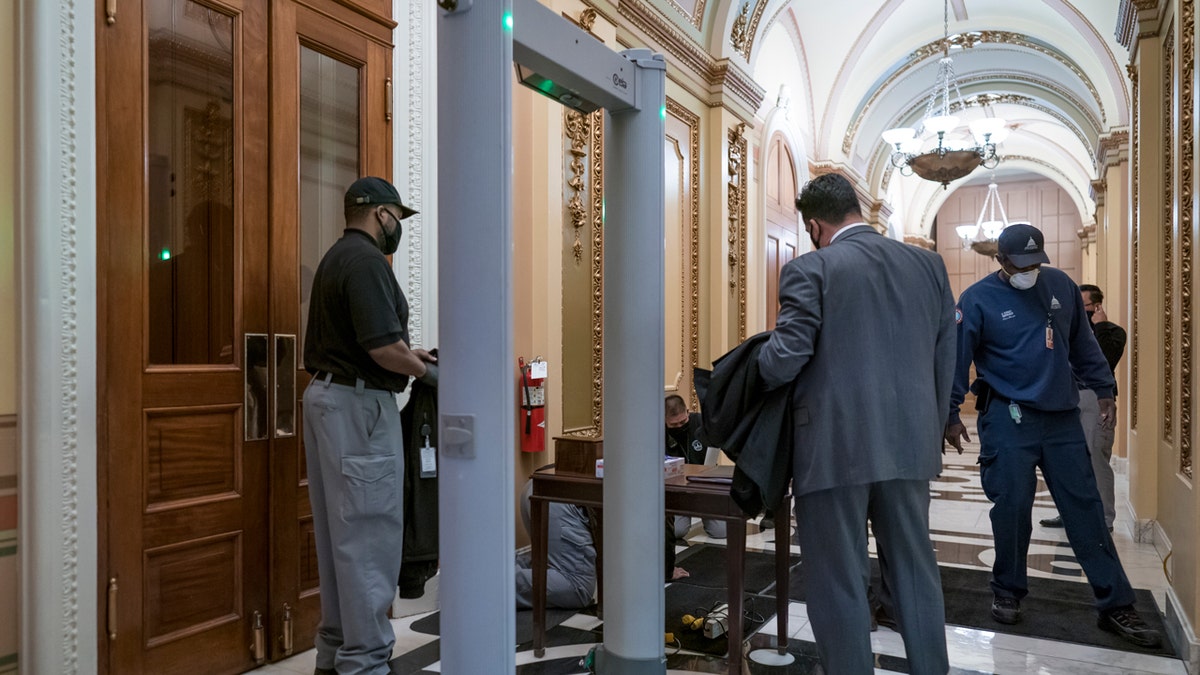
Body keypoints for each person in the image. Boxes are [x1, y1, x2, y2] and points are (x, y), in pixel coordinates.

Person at [757, 173, 954, 674]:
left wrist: (754, 360)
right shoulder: (929, 265)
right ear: (857, 210)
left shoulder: (811, 268)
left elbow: (786, 358)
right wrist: (930, 426)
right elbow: (944, 355)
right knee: (914, 568)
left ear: (815, 225)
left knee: (838, 577)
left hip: (832, 445)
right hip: (910, 445)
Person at [944, 224, 1160, 648]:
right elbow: (956, 359)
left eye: (1035, 263)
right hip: (1008, 418)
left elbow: (1083, 345)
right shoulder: (977, 299)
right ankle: (1008, 591)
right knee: (1011, 508)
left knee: (1085, 510)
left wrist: (1104, 388)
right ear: (1000, 261)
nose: (1029, 271)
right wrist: (950, 414)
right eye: (1019, 265)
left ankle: (1116, 603)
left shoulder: (1060, 285)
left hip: (1060, 418)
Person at [303, 176, 437, 674]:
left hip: (329, 397)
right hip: (357, 409)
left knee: (340, 540)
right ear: (381, 214)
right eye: (397, 220)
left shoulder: (337, 258)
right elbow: (382, 348)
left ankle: (335, 655)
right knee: (369, 539)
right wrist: (425, 370)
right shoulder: (365, 262)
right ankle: (366, 664)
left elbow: (368, 342)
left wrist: (409, 354)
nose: (398, 229)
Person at [1041, 284, 1126, 532]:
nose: (1077, 309)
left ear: (1096, 306)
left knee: (1096, 459)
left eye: (1084, 305)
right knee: (1067, 460)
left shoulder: (1112, 332)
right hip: (1066, 399)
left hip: (1095, 399)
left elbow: (1104, 359)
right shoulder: (1069, 329)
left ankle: (1103, 519)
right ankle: (1068, 513)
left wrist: (1098, 325)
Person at [515, 479, 597, 610]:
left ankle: (498, 571)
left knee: (545, 565)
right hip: (560, 497)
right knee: (578, 587)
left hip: (541, 486)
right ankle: (494, 586)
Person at [665, 394, 726, 539]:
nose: (679, 427)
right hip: (677, 491)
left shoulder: (702, 423)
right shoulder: (657, 433)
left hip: (705, 486)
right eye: (674, 425)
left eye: (683, 421)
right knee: (676, 532)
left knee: (721, 532)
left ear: (688, 412)